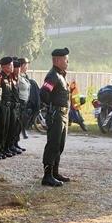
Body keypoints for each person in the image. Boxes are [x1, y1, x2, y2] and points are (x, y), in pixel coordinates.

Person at [40, 47, 71, 187]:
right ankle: (47, 176)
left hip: (63, 114)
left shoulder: (61, 74)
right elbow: (44, 93)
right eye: (65, 59)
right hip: (56, 114)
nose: (67, 61)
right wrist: (51, 108)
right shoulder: (53, 75)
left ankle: (54, 173)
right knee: (53, 145)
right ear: (57, 60)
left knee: (59, 145)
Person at [18, 57, 32, 139]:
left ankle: (15, 143)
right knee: (17, 124)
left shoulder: (25, 76)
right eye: (26, 65)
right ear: (21, 65)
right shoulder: (18, 76)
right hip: (20, 102)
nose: (27, 67)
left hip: (25, 102)